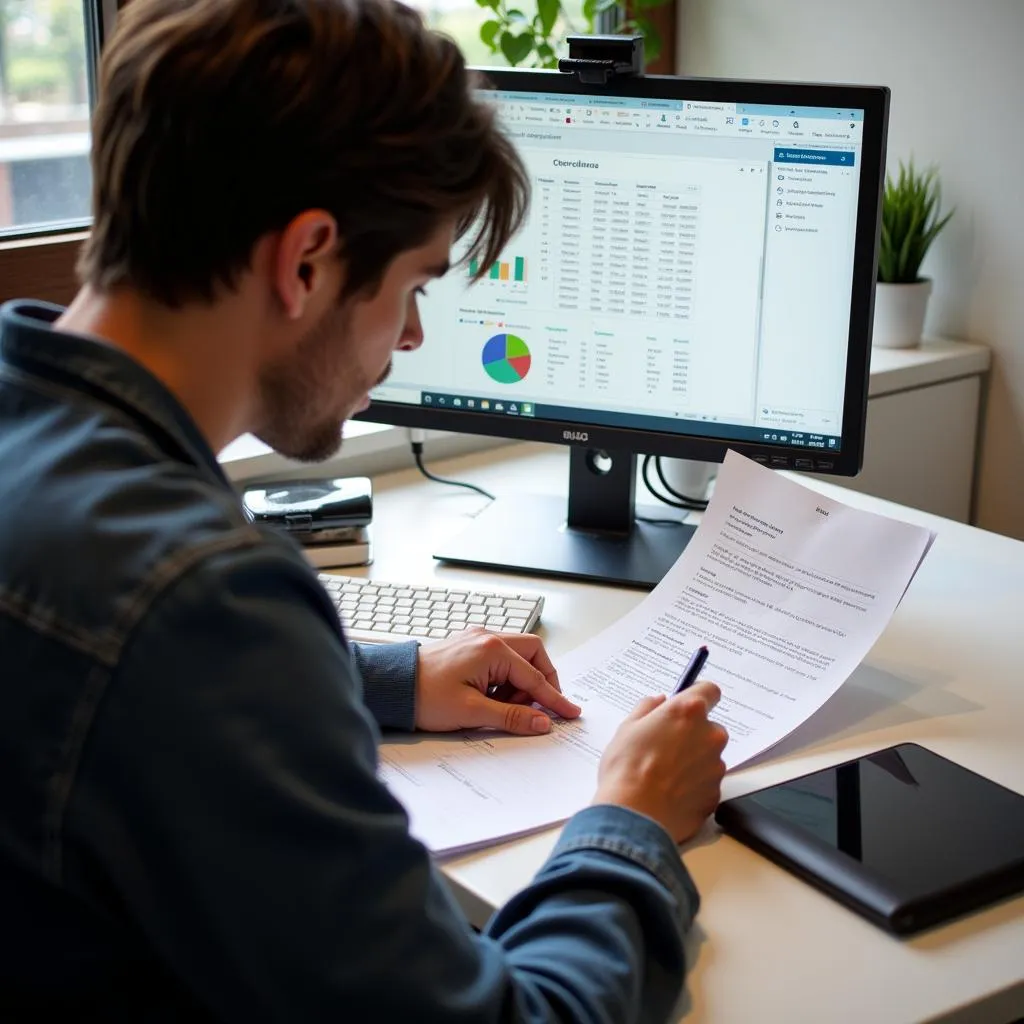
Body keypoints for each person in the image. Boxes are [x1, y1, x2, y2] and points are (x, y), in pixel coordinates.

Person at [0, 0, 729, 1019]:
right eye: (415, 284)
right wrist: (629, 819)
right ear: (307, 261)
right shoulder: (203, 600)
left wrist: (388, 676)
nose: (414, 336)